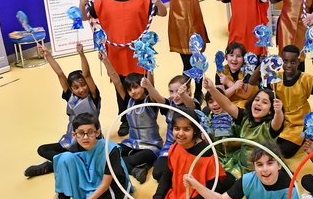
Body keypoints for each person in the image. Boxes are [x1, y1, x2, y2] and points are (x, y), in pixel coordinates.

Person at [80, 0, 167, 136]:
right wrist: (82, 3)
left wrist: (158, 3)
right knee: (121, 88)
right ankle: (126, 119)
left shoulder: (143, 0)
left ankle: (148, 115)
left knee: (143, 86)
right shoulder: (101, 3)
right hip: (116, 55)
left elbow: (163, 13)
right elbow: (84, 17)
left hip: (139, 55)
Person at [134, 107, 233, 199]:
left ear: (195, 130)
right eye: (176, 129)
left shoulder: (206, 154)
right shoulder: (175, 147)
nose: (180, 134)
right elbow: (166, 178)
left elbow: (212, 190)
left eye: (186, 129)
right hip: (175, 197)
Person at [36, 113, 129, 199]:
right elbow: (66, 179)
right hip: (87, 183)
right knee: (64, 158)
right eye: (81, 133)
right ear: (74, 135)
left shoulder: (110, 150)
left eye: (90, 132)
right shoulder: (74, 150)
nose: (85, 137)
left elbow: (105, 185)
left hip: (110, 188)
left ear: (97, 133)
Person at [24, 43, 100, 177]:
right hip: (72, 139)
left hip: (89, 140)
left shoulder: (93, 96)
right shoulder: (70, 96)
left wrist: (81, 54)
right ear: (71, 89)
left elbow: (87, 75)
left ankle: (53, 165)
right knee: (42, 149)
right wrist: (48, 55)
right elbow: (60, 73)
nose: (81, 89)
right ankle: (68, 162)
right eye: (76, 87)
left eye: (83, 85)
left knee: (89, 155)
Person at [249, 45, 313, 158]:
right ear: (281, 61)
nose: (288, 65)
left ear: (299, 61)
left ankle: (308, 132)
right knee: (264, 143)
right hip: (279, 121)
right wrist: (262, 65)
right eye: (285, 61)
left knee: (284, 152)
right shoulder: (276, 77)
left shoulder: (306, 79)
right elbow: (252, 82)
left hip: (298, 124)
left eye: (293, 62)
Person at [163, 0, 212, 102]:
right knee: (186, 64)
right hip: (179, 30)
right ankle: (186, 91)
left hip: (195, 29)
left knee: (198, 61)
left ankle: (198, 91)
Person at [99, 55, 162, 184]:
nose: (133, 91)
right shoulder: (129, 100)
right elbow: (116, 80)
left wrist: (149, 65)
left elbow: (151, 84)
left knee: (126, 160)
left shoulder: (151, 100)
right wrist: (105, 60)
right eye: (129, 89)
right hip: (132, 143)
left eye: (136, 87)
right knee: (110, 154)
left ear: (143, 86)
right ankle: (138, 169)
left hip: (151, 146)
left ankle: (138, 166)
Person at [203, 78, 284, 177]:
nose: (258, 103)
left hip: (261, 171)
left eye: (265, 102)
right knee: (221, 179)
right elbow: (227, 104)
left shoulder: (270, 126)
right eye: (257, 100)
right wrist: (211, 88)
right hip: (240, 168)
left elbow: (278, 122)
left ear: (271, 110)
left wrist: (278, 111)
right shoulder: (245, 117)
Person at [146, 75, 199, 181]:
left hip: (188, 147)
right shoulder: (169, 105)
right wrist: (148, 86)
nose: (175, 95)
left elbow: (191, 106)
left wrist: (183, 94)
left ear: (188, 91)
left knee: (188, 173)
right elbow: (157, 97)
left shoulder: (193, 103)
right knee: (158, 173)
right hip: (170, 146)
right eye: (171, 91)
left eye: (178, 91)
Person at [214, 42, 256, 107]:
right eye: (231, 55)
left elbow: (246, 95)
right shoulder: (220, 73)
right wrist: (234, 87)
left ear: (244, 58)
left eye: (238, 56)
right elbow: (221, 97)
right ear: (226, 57)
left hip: (246, 104)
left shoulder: (248, 72)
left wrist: (228, 82)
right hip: (229, 105)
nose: (234, 59)